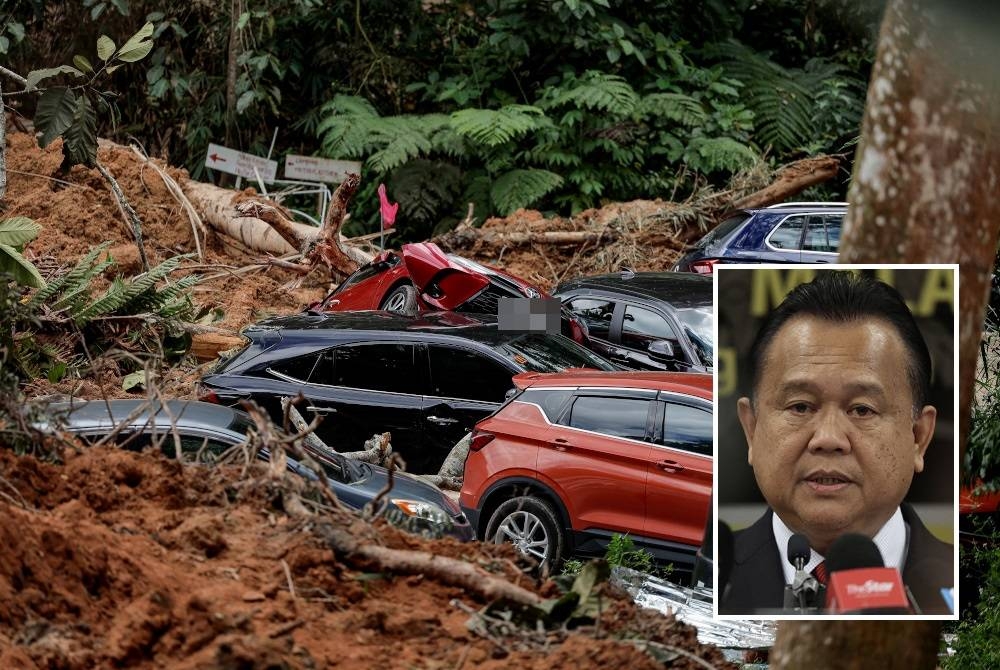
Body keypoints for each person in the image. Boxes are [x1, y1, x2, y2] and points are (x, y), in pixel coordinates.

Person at [719, 271, 953, 615]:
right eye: (800, 406)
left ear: (918, 437)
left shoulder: (972, 586)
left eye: (862, 409)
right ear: (751, 430)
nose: (828, 439)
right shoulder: (713, 584)